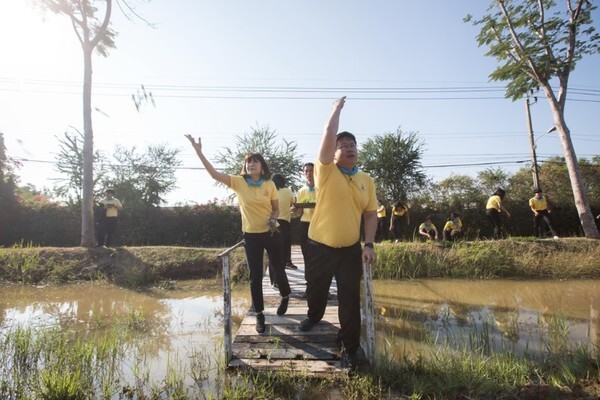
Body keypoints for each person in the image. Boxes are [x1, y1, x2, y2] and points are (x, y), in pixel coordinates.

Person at [298, 97, 377, 372]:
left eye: (353, 145)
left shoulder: (366, 180)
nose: (349, 148)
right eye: (343, 146)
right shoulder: (326, 171)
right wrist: (336, 110)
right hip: (319, 245)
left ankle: (350, 346)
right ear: (333, 153)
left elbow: (370, 214)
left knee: (349, 298)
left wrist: (368, 244)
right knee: (316, 289)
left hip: (350, 250)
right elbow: (329, 133)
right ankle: (314, 315)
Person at [185, 135, 291, 334]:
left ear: (262, 165)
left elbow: (276, 208)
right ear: (246, 166)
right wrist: (199, 152)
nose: (251, 163)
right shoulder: (239, 182)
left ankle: (285, 295)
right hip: (251, 237)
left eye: (255, 160)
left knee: (278, 269)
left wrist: (274, 218)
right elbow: (214, 174)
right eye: (248, 161)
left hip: (271, 233)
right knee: (255, 276)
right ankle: (260, 314)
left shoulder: (270, 184)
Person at [272, 174, 297, 272]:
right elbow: (293, 205)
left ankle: (276, 268)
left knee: (274, 247)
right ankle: (288, 262)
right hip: (285, 222)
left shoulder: (271, 192)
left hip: (273, 221)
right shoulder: (288, 191)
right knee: (286, 244)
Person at [292, 162, 317, 263]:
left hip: (318, 223)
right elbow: (299, 212)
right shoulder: (301, 191)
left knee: (319, 251)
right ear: (303, 173)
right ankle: (308, 275)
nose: (309, 173)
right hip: (304, 223)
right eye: (306, 171)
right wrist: (295, 210)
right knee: (305, 250)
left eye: (311, 170)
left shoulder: (322, 188)